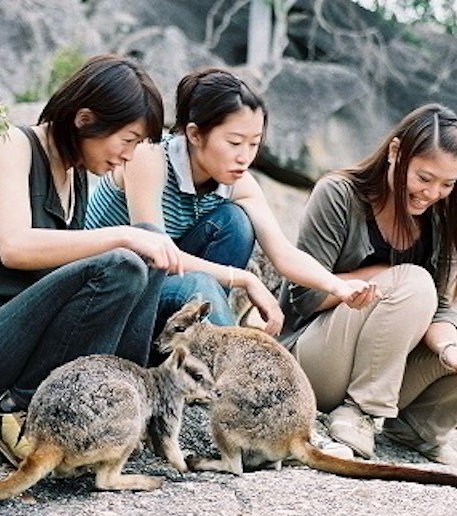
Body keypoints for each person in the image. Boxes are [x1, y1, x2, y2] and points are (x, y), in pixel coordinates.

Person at [0, 55, 181, 467]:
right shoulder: (8, 145)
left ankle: (123, 400)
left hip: (30, 348)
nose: (129, 156)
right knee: (124, 259)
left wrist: (140, 240)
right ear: (85, 119)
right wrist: (119, 235)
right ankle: (15, 409)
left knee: (146, 247)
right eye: (128, 140)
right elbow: (15, 247)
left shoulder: (76, 174)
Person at [84, 67, 374, 344]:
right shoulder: (148, 157)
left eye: (253, 144)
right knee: (202, 286)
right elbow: (157, 255)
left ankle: (194, 346)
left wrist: (338, 287)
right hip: (105, 287)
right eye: (235, 143)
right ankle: (230, 363)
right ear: (195, 135)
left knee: (235, 222)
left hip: (155, 289)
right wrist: (244, 279)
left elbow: (283, 253)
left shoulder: (239, 183)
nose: (245, 157)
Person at [278, 103, 457, 466]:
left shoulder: (442, 221)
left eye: (447, 184)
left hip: (381, 363)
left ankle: (416, 428)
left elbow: (438, 308)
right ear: (395, 152)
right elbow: (305, 296)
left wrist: (450, 351)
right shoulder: (339, 194)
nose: (433, 193)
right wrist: (378, 277)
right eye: (424, 178)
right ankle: (361, 412)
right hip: (310, 362)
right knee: (413, 281)